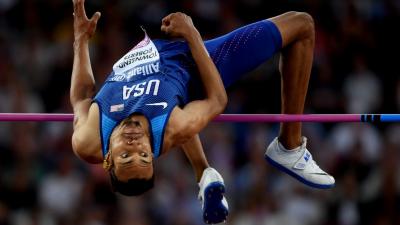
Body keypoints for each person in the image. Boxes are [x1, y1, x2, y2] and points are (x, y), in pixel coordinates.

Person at [70, 0, 335, 223]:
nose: (135, 144)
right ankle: (289, 145)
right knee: (301, 24)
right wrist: (192, 35)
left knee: (182, 119)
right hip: (196, 63)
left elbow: (82, 96)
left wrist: (81, 39)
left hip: (156, 53)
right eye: (143, 155)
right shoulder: (171, 126)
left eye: (126, 155)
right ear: (152, 154)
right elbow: (217, 100)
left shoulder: (88, 139)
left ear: (108, 159)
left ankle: (204, 173)